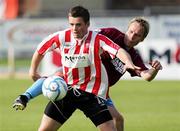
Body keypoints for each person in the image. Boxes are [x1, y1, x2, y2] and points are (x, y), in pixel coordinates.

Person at [13, 17, 162, 131]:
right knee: (58, 76)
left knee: (118, 120)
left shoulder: (134, 57)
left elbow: (147, 76)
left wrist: (154, 70)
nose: (131, 36)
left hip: (99, 92)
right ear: (127, 29)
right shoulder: (111, 34)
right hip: (81, 77)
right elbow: (90, 36)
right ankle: (24, 97)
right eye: (131, 31)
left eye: (137, 35)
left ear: (142, 39)